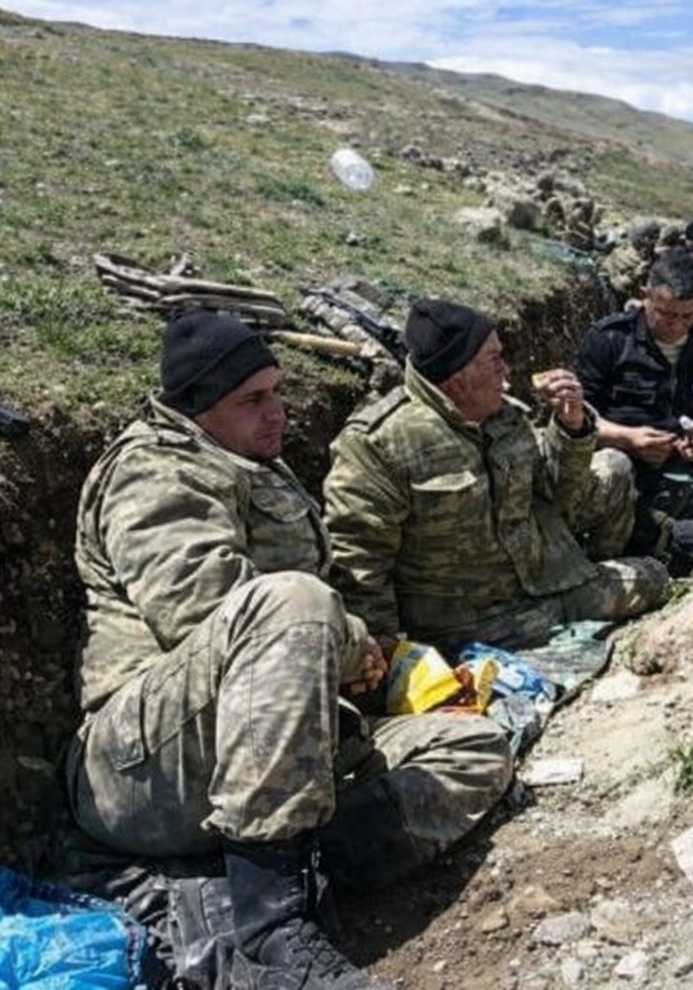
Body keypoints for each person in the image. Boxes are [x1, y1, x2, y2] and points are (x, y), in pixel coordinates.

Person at [67, 312, 513, 989]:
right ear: (197, 407)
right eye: (252, 400)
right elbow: (205, 606)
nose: (277, 414)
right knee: (293, 601)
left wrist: (376, 656)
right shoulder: (152, 471)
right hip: (141, 769)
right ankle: (269, 934)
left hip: (256, 749)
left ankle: (277, 877)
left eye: (276, 392)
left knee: (475, 749)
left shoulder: (246, 459)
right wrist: (347, 638)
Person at [322, 298, 669, 655]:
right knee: (652, 581)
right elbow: (358, 556)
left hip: (540, 583)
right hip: (467, 625)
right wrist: (385, 649)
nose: (506, 370)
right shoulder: (380, 443)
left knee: (653, 573)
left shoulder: (502, 415)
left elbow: (557, 493)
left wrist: (570, 426)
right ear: (457, 378)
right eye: (494, 361)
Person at [573, 248, 693, 573]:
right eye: (667, 314)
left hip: (684, 479)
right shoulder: (609, 340)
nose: (677, 326)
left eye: (689, 316)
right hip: (617, 476)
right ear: (645, 296)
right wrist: (627, 439)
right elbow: (575, 420)